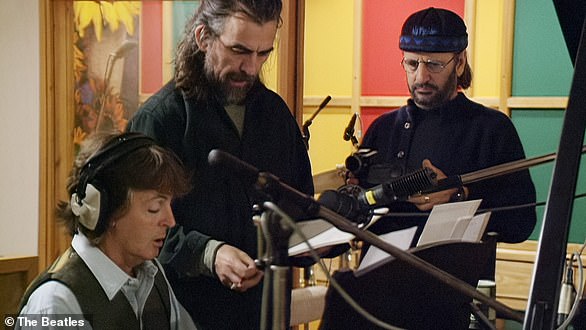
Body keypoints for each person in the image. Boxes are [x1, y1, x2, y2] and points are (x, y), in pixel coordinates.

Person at [126, 1, 320, 329]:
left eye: (263, 54)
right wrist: (209, 254)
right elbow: (135, 229)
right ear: (203, 37)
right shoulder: (162, 120)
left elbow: (300, 202)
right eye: (239, 50)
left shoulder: (276, 115)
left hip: (266, 312)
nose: (251, 67)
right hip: (187, 313)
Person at [353, 7, 537, 279]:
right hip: (375, 288)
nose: (421, 77)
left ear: (460, 62)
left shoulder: (491, 129)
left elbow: (522, 223)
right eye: (412, 64)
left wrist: (458, 196)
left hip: (451, 296)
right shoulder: (382, 128)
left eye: (434, 65)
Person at [17, 131, 197, 329]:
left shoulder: (153, 276)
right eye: (154, 208)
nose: (170, 222)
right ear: (106, 211)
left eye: (169, 205)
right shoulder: (55, 305)